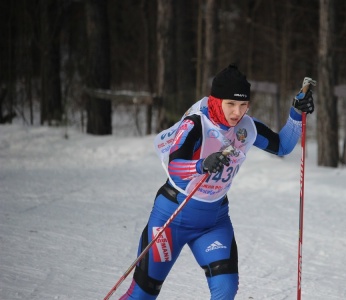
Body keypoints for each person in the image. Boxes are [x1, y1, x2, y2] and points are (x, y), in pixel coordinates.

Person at [120, 64, 314, 300]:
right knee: (142, 295)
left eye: (243, 105)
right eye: (230, 104)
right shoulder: (195, 123)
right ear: (215, 100)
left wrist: (296, 114)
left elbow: (282, 146)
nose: (237, 112)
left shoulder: (246, 127)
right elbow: (175, 166)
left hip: (214, 221)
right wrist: (200, 165)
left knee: (225, 290)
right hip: (172, 217)